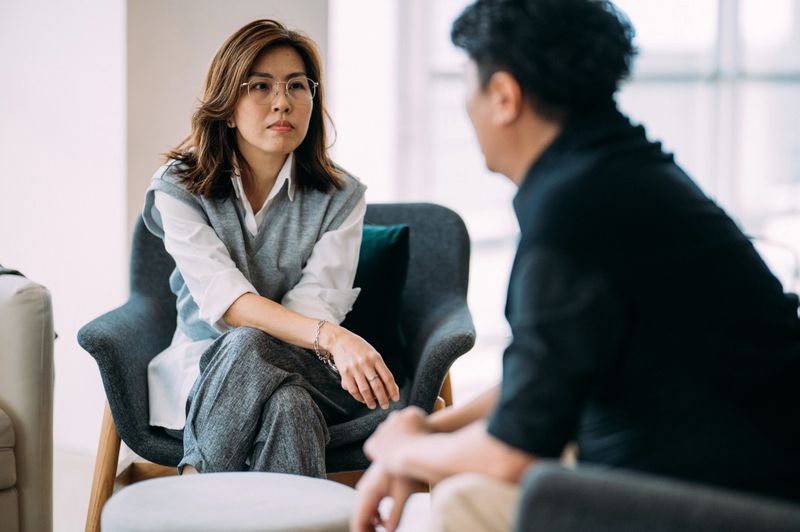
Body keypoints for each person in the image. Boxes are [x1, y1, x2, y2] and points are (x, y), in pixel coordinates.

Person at [351, 0, 800, 530]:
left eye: (468, 87)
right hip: (745, 468)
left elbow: (511, 453)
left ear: (504, 97)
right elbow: (545, 380)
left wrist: (402, 451)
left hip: (729, 503)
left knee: (465, 497)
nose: (465, 107)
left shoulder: (573, 212)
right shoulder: (618, 169)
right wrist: (429, 432)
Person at [141, 19, 400, 477]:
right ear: (227, 106)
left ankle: (194, 494)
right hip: (206, 367)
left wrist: (322, 337)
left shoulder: (342, 196)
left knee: (254, 347)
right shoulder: (178, 187)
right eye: (260, 86)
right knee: (288, 405)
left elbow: (315, 304)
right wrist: (335, 338)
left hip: (305, 364)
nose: (283, 101)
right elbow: (228, 303)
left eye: (297, 85)